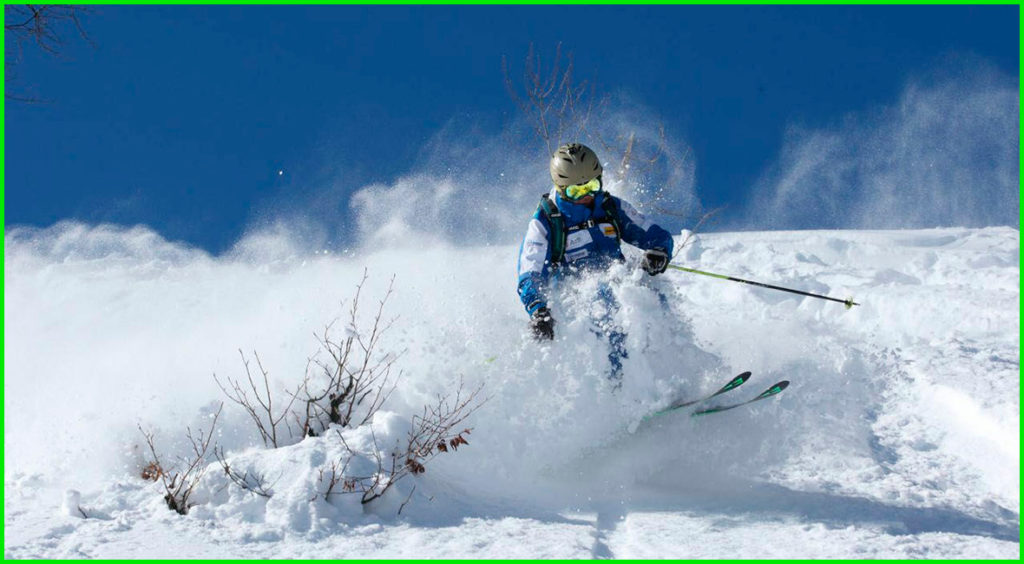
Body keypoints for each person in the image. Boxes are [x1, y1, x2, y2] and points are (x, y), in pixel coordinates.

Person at [516, 143, 675, 381]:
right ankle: (617, 387)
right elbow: (530, 271)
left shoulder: (610, 207)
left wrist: (659, 251)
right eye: (575, 192)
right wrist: (538, 309)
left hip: (618, 281)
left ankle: (667, 373)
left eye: (592, 186)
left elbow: (652, 232)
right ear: (561, 188)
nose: (586, 196)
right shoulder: (546, 221)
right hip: (573, 299)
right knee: (602, 301)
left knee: (651, 297)